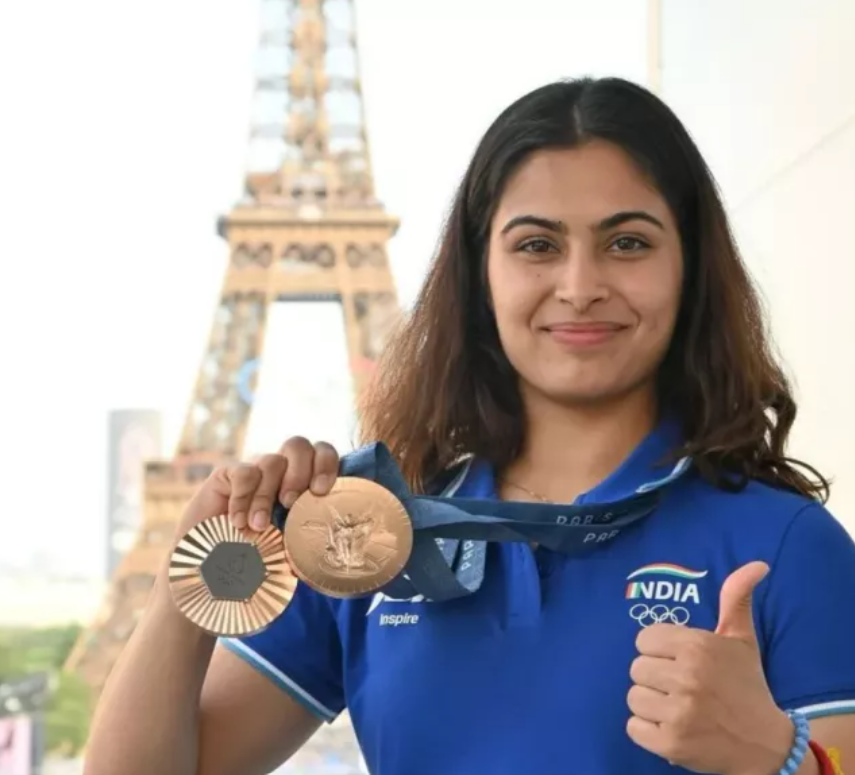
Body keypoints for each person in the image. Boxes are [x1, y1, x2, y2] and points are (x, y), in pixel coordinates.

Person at [83, 77, 855, 775]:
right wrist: (188, 587)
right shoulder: (363, 526)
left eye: (627, 242)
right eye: (536, 245)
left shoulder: (785, 547)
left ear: (688, 270)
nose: (579, 285)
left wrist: (776, 758)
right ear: (477, 274)